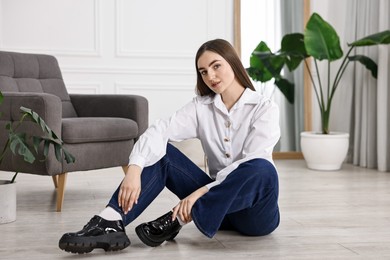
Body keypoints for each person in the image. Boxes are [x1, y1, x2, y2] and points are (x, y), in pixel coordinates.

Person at [59, 38, 281, 254]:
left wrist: (200, 193)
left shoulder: (264, 108)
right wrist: (134, 168)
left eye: (216, 66)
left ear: (233, 63)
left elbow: (252, 160)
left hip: (255, 217)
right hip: (218, 210)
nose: (210, 76)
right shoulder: (201, 107)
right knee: (163, 154)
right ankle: (110, 221)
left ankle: (180, 217)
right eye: (203, 72)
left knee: (262, 169)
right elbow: (160, 130)